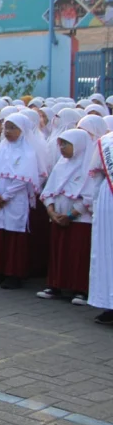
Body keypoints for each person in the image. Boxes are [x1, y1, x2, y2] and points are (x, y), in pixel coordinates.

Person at [0, 114, 40, 290]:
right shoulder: (1, 149)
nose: (8, 132)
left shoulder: (27, 152)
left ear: (22, 130)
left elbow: (23, 179)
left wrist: (5, 195)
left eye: (13, 128)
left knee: (14, 235)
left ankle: (13, 274)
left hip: (14, 200)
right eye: (6, 127)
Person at [38, 129, 92, 304]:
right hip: (58, 217)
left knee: (78, 254)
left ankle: (80, 289)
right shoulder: (61, 164)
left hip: (80, 220)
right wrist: (51, 211)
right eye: (60, 144)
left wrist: (71, 214)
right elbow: (49, 191)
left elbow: (90, 197)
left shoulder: (89, 167)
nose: (62, 148)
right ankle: (55, 285)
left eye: (66, 144)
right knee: (58, 252)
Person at [87, 128, 113, 324]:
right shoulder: (107, 142)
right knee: (107, 253)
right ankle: (109, 304)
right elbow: (96, 172)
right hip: (108, 201)